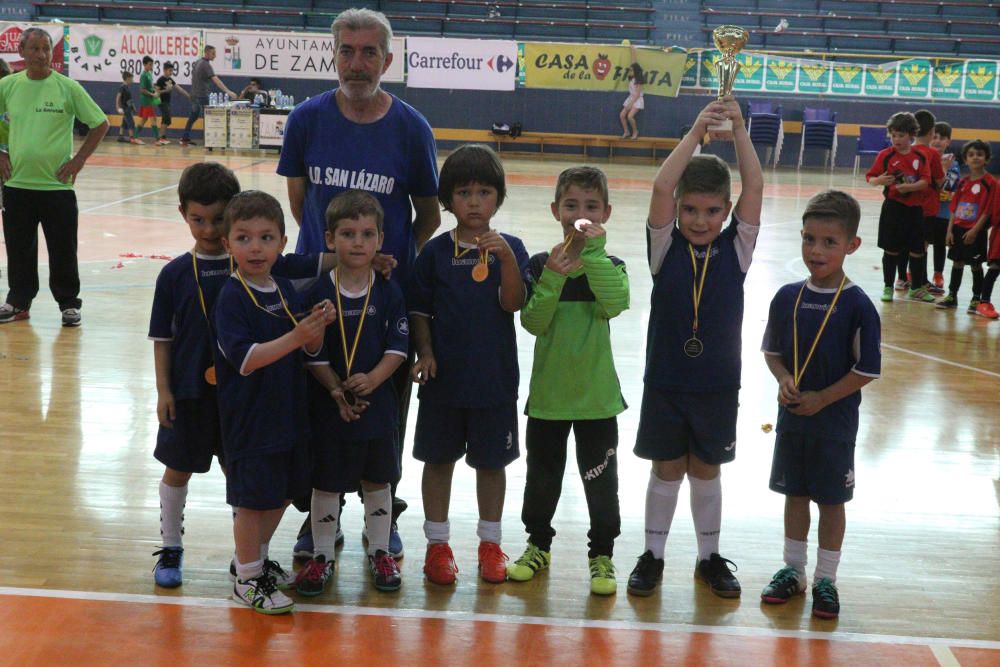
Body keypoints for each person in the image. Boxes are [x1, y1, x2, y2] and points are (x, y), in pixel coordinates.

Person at [277, 7, 440, 560]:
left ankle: (383, 515)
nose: (357, 61)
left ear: (387, 59)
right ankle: (320, 519)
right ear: (334, 55)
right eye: (347, 50)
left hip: (382, 296)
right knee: (318, 407)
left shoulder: (412, 128)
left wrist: (382, 261)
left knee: (382, 410)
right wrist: (331, 262)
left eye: (369, 51)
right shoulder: (306, 120)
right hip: (317, 296)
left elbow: (428, 216)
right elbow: (301, 206)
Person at [148, 164, 335, 589]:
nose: (209, 229)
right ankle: (171, 547)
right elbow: (162, 339)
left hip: (245, 399)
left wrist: (365, 254)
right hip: (192, 393)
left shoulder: (266, 267)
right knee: (178, 468)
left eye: (218, 219)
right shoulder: (175, 274)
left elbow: (318, 258)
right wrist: (164, 390)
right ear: (183, 214)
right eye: (199, 219)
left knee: (248, 482)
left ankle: (250, 560)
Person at [626, 96, 763, 599]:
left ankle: (709, 558)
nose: (699, 220)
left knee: (706, 469)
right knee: (666, 469)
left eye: (710, 211)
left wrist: (740, 132)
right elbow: (663, 183)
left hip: (717, 385)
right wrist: (696, 132)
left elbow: (755, 185)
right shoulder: (664, 247)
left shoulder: (738, 248)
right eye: (689, 210)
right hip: (666, 380)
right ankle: (653, 555)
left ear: (727, 212)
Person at [408, 144, 529, 586]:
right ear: (447, 201)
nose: (475, 201)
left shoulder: (511, 248)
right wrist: (424, 351)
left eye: (484, 192)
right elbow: (419, 308)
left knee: (491, 465)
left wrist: (508, 261)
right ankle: (438, 546)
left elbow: (513, 303)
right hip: (444, 383)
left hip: (494, 382)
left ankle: (490, 544)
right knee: (437, 463)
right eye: (464, 193)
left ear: (498, 197)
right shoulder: (435, 253)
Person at [760, 190, 881, 620]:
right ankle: (793, 571)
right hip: (792, 420)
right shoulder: (786, 297)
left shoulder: (859, 305)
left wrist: (823, 399)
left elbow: (867, 369)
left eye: (830, 242)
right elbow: (772, 350)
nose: (816, 250)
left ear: (852, 245)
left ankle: (826, 579)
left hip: (834, 424)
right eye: (809, 239)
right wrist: (784, 379)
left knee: (831, 501)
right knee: (794, 494)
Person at [213, 190, 336, 614]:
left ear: (283, 243)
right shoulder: (231, 297)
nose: (255, 247)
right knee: (252, 500)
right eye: (243, 238)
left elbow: (305, 348)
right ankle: (247, 579)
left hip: (287, 412)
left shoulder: (282, 288)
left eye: (266, 238)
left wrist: (317, 325)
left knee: (282, 491)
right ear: (227, 244)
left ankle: (252, 561)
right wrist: (298, 335)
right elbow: (246, 360)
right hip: (250, 418)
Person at [508, 166, 629, 596]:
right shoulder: (540, 265)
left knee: (602, 483)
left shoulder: (610, 265)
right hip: (549, 400)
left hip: (597, 401)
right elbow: (533, 322)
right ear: (556, 209)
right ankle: (538, 545)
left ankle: (602, 555)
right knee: (541, 479)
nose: (581, 213)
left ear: (606, 213)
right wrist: (555, 277)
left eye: (591, 206)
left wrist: (592, 257)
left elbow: (615, 304)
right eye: (572, 205)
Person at [296, 190, 408, 596]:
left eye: (366, 234)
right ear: (329, 240)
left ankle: (380, 549)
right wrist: (336, 391)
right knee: (326, 482)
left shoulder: (390, 291)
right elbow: (311, 352)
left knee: (378, 481)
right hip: (331, 408)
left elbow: (398, 348)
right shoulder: (315, 293)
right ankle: (321, 555)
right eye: (347, 234)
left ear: (380, 239)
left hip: (377, 408)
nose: (357, 242)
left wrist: (374, 380)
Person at [0, 28, 109, 327]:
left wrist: (79, 160)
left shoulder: (67, 87)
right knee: (19, 248)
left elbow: (100, 123)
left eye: (46, 49)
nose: (40, 55)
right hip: (17, 185)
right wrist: (1, 153)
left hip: (57, 187)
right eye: (34, 48)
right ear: (21, 51)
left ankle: (68, 304)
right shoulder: (8, 86)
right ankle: (18, 302)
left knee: (63, 248)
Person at [866, 112, 932, 304]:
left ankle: (917, 288)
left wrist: (909, 187)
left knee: (917, 250)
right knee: (891, 249)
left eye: (901, 135)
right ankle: (888, 286)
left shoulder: (920, 156)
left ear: (911, 135)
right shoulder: (885, 156)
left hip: (915, 209)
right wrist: (879, 180)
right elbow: (870, 178)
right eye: (893, 135)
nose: (896, 139)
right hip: (893, 208)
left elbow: (926, 181)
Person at [934, 140, 995, 314]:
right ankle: (952, 296)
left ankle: (976, 297)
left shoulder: (990, 183)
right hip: (958, 229)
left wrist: (976, 230)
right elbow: (954, 207)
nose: (975, 157)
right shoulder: (962, 182)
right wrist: (949, 231)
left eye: (979, 154)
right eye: (971, 155)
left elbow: (987, 210)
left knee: (976, 265)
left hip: (975, 231)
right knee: (957, 263)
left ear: (987, 159)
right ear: (965, 159)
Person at [902, 109, 945, 295]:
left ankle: (905, 278)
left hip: (907, 206)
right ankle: (920, 282)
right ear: (932, 131)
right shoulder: (932, 154)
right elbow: (939, 181)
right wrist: (945, 168)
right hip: (927, 207)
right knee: (922, 247)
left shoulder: (906, 150)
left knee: (909, 244)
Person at [180, 45, 237, 147]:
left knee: (194, 116)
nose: (215, 56)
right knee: (210, 117)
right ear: (206, 53)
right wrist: (228, 91)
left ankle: (185, 138)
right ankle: (211, 141)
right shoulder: (206, 65)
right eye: (213, 53)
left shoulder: (197, 62)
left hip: (194, 94)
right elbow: (216, 80)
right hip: (201, 95)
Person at [929, 122, 959, 293]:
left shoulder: (952, 163)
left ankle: (938, 274)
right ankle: (913, 273)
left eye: (942, 138)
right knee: (920, 244)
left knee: (939, 244)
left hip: (943, 213)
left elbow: (948, 186)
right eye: (934, 137)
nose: (938, 141)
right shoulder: (924, 157)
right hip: (926, 210)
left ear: (948, 141)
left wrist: (943, 169)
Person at [155, 61, 189, 144]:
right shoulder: (160, 79)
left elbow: (178, 88)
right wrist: (166, 90)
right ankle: (160, 138)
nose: (171, 72)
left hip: (167, 102)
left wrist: (188, 95)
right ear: (164, 70)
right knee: (166, 118)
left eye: (172, 70)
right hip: (161, 102)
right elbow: (156, 92)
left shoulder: (170, 80)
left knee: (167, 120)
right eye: (170, 70)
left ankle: (163, 137)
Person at [136, 56, 164, 145]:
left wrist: (156, 90)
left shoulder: (149, 74)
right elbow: (142, 90)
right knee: (153, 119)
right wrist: (153, 94)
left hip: (149, 100)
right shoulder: (144, 75)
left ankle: (135, 137)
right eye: (150, 64)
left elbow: (150, 86)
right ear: (144, 64)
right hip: (146, 101)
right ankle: (157, 139)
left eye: (152, 64)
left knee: (144, 119)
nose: (151, 66)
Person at [619, 45, 644, 140]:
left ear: (635, 71)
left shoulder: (639, 80)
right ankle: (626, 131)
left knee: (630, 117)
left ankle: (635, 131)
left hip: (637, 100)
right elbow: (633, 61)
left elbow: (637, 95)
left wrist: (630, 104)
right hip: (631, 98)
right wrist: (632, 49)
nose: (629, 71)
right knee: (622, 115)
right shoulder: (632, 77)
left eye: (631, 70)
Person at [115, 71, 140, 144]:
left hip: (128, 108)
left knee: (124, 122)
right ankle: (132, 138)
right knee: (131, 123)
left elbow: (129, 100)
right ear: (127, 78)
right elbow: (118, 97)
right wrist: (117, 107)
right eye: (132, 79)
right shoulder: (122, 87)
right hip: (125, 109)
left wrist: (133, 107)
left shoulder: (127, 88)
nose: (133, 80)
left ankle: (120, 136)